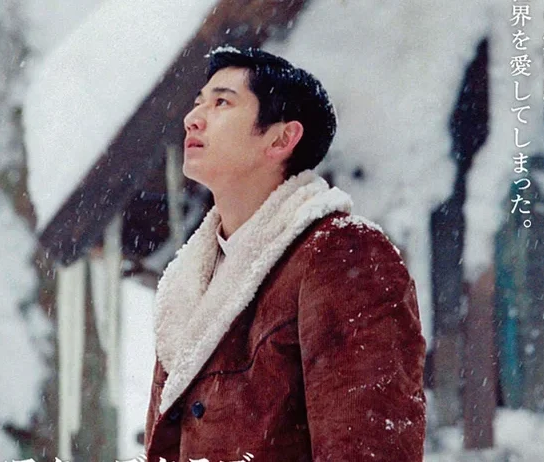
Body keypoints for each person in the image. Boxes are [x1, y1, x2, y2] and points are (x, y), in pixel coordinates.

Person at [144, 45, 426, 461]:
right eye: (198, 102)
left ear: (281, 138)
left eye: (222, 102)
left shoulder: (343, 253)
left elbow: (369, 449)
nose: (193, 118)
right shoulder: (186, 285)